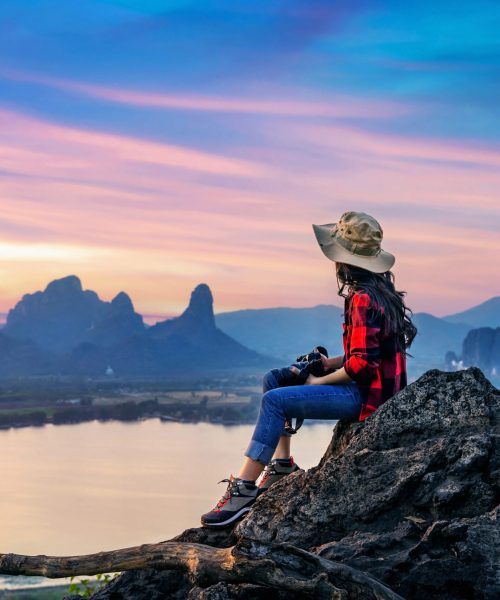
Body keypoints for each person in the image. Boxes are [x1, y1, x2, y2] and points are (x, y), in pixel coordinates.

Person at [201, 210, 417, 527]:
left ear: (344, 261)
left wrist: (319, 381)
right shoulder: (378, 293)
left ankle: (244, 490)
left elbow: (362, 366)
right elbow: (367, 352)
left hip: (368, 397)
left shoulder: (362, 299)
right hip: (372, 387)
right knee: (274, 379)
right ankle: (281, 465)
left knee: (273, 400)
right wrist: (329, 363)